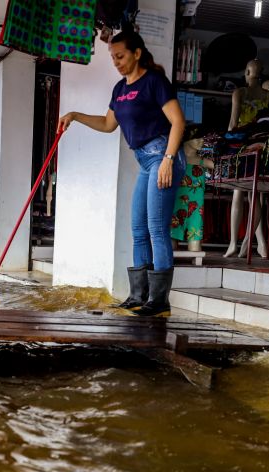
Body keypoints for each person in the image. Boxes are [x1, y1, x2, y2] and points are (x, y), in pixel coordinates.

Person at [59, 31, 185, 317]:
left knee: (156, 229)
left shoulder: (154, 81)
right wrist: (75, 116)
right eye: (113, 57)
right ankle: (138, 295)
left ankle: (159, 300)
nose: (116, 62)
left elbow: (178, 122)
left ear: (137, 53)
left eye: (120, 56)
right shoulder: (119, 88)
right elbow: (107, 124)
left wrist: (167, 160)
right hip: (145, 161)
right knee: (138, 230)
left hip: (163, 156)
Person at [224, 58, 269, 259]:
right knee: (255, 193)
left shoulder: (240, 92)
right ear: (261, 73)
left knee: (238, 192)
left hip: (243, 145)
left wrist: (227, 145)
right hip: (262, 145)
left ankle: (233, 244)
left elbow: (233, 123)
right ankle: (249, 240)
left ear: (247, 72)